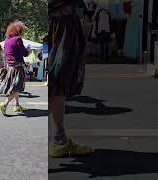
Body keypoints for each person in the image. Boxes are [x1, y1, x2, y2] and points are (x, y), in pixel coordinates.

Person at [47, 0, 93, 158]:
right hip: (62, 25)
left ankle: (60, 139)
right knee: (57, 82)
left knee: (56, 82)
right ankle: (59, 141)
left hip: (59, 23)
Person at [0, 21, 30, 115]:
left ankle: (17, 105)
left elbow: (6, 53)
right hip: (17, 68)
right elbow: (24, 53)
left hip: (10, 67)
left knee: (15, 87)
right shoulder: (18, 39)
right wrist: (28, 50)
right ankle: (5, 104)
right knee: (16, 88)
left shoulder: (7, 40)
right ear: (19, 30)